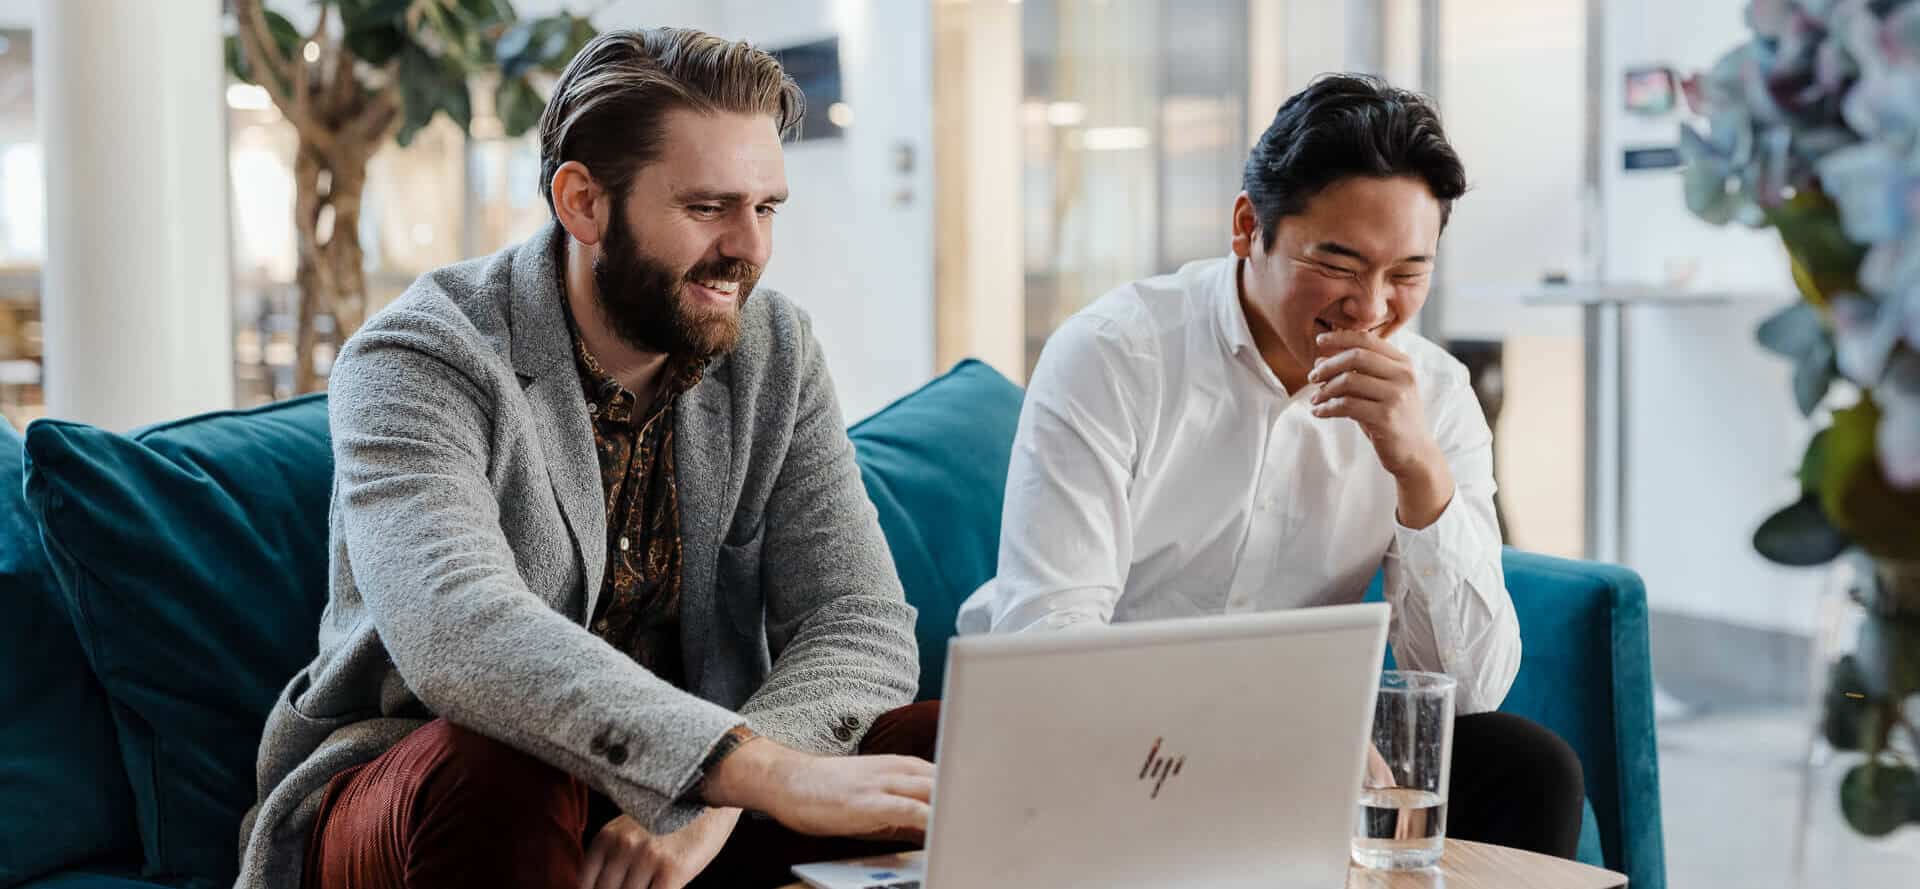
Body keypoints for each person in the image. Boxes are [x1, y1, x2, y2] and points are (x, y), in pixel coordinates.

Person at [238, 28, 939, 889]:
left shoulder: (775, 349)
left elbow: (857, 621)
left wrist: (711, 800)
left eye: (765, 208)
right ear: (582, 202)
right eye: (707, 207)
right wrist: (747, 771)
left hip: (694, 803)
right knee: (503, 770)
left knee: (951, 753)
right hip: (426, 785)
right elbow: (459, 630)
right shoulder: (419, 356)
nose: (749, 248)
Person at [955, 73, 1587, 858]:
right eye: (1341, 263)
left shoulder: (1436, 395)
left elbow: (1470, 691)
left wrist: (1418, 472)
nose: (1371, 308)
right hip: (1099, 734)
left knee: (1531, 767)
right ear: (1249, 226)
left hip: (1295, 748)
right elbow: (1053, 646)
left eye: (1407, 274)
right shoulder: (1116, 354)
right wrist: (1274, 731)